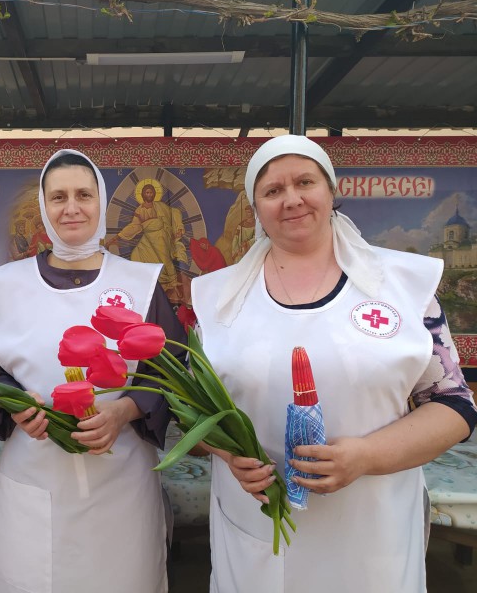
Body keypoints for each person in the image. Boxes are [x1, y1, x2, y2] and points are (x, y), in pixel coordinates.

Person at [191, 135, 477, 592]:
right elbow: (196, 412)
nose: (292, 199)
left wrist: (366, 456)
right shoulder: (217, 298)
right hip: (258, 525)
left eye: (305, 182)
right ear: (256, 207)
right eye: (272, 190)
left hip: (371, 527)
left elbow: (455, 405)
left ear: (330, 189)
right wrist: (228, 452)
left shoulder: (402, 285)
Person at [0, 150, 186, 593]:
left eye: (84, 195)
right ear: (44, 207)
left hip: (121, 481)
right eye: (58, 197)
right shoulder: (6, 286)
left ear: (101, 203)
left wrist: (125, 410)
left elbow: (169, 369)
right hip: (34, 475)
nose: (72, 208)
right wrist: (15, 404)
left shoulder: (140, 283)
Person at [106, 179, 188, 303]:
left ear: (154, 194)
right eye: (147, 193)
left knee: (164, 259)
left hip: (160, 236)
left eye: (151, 192)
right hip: (148, 237)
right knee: (136, 255)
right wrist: (117, 237)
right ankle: (146, 283)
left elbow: (174, 213)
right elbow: (135, 226)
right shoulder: (140, 210)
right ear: (143, 195)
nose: (149, 195)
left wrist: (179, 228)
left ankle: (173, 284)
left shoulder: (160, 206)